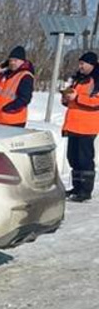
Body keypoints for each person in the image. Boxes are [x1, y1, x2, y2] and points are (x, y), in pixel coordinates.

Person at [60, 51, 99, 202]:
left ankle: (85, 191)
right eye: (80, 63)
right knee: (73, 158)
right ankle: (76, 187)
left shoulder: (96, 80)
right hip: (73, 125)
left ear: (92, 64)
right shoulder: (78, 79)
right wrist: (66, 98)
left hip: (87, 126)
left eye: (83, 63)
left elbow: (96, 102)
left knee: (84, 160)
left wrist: (77, 97)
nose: (80, 66)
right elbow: (73, 100)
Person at [0, 46, 35, 127]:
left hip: (12, 121)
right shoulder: (6, 74)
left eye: (15, 60)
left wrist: (8, 109)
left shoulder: (25, 76)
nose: (12, 63)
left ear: (22, 61)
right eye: (10, 60)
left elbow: (25, 99)